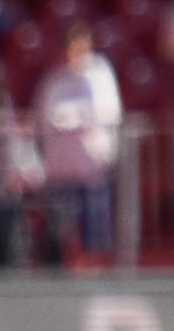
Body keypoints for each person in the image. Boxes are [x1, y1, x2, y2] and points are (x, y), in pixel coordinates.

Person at [34, 22, 124, 263]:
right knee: (58, 233)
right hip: (61, 171)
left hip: (91, 169)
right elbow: (45, 117)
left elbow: (109, 112)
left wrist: (76, 118)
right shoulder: (54, 79)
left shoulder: (101, 73)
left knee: (95, 235)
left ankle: (97, 282)